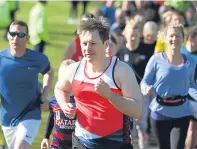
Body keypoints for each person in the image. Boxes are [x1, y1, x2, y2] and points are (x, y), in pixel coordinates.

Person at [54, 16, 143, 149]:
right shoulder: (75, 69)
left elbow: (137, 110)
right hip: (81, 142)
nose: (87, 48)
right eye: (84, 43)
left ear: (106, 45)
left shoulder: (121, 71)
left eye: (93, 43)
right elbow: (60, 88)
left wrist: (110, 95)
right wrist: (64, 104)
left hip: (115, 143)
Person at [141, 23, 197, 149]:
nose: (174, 39)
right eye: (171, 36)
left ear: (183, 39)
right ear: (165, 38)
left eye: (178, 36)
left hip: (182, 112)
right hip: (160, 112)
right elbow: (144, 81)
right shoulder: (155, 59)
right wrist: (145, 89)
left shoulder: (191, 62)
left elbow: (191, 84)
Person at [0, 20, 54, 149]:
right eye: (12, 34)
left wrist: (44, 94)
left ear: (28, 38)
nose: (15, 38)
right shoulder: (1, 58)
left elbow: (49, 73)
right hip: (7, 117)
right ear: (8, 35)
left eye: (20, 35)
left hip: (31, 112)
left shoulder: (38, 59)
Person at [41, 59, 75, 149]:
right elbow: (52, 117)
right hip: (57, 145)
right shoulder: (54, 99)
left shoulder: (80, 100)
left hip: (76, 145)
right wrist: (46, 137)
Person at [181, 26, 197, 149]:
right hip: (178, 97)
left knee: (192, 128)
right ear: (191, 38)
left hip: (194, 98)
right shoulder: (179, 52)